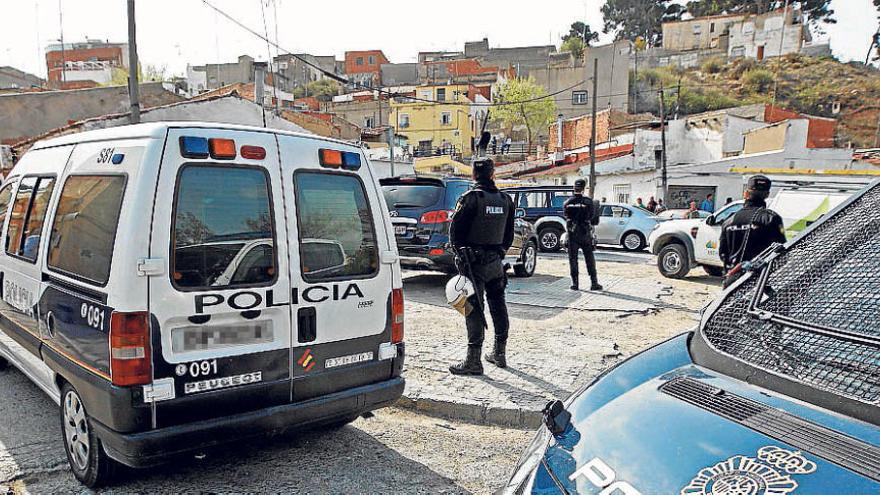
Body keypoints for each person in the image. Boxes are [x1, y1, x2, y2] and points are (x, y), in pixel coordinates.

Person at [448, 158, 515, 376]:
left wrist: (462, 255)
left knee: (473, 309)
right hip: (496, 262)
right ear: (493, 174)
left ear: (474, 175)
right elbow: (509, 236)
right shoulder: (506, 200)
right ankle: (499, 352)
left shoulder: (471, 199)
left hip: (473, 263)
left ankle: (473, 361)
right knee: (498, 306)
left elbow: (455, 234)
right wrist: (498, 253)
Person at [719, 175, 787, 288]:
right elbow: (781, 253)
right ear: (767, 195)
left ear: (746, 194)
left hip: (731, 284)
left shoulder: (728, 221)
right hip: (759, 285)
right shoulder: (772, 218)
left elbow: (723, 254)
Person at [564, 179, 602, 292]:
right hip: (585, 232)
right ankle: (594, 283)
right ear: (584, 188)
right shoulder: (588, 202)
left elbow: (566, 215)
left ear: (574, 188)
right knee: (589, 259)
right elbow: (591, 217)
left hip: (572, 233)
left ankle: (575, 284)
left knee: (573, 259)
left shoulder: (567, 202)